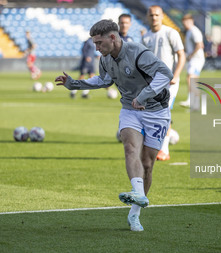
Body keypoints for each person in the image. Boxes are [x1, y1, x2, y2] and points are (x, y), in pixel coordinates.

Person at [55, 19, 173, 231]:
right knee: (130, 147)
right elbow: (103, 80)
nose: (97, 48)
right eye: (94, 44)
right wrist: (74, 83)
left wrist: (144, 96)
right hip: (130, 110)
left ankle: (134, 214)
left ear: (113, 37)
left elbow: (165, 74)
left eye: (99, 43)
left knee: (147, 163)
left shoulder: (138, 52)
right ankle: (137, 192)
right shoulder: (105, 59)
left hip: (156, 112)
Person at [142, 5, 186, 161]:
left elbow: (181, 55)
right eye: (151, 15)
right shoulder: (145, 37)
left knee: (163, 113)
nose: (154, 17)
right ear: (148, 17)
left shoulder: (170, 32)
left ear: (162, 16)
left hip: (169, 82)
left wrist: (176, 75)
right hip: (152, 83)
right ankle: (171, 135)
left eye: (157, 15)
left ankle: (164, 150)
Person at [179, 14, 205, 108]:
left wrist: (191, 55)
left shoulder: (194, 31)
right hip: (194, 59)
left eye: (185, 22)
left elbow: (200, 45)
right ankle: (196, 104)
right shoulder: (190, 31)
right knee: (193, 80)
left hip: (197, 59)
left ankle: (190, 100)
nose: (184, 24)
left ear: (190, 21)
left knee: (190, 78)